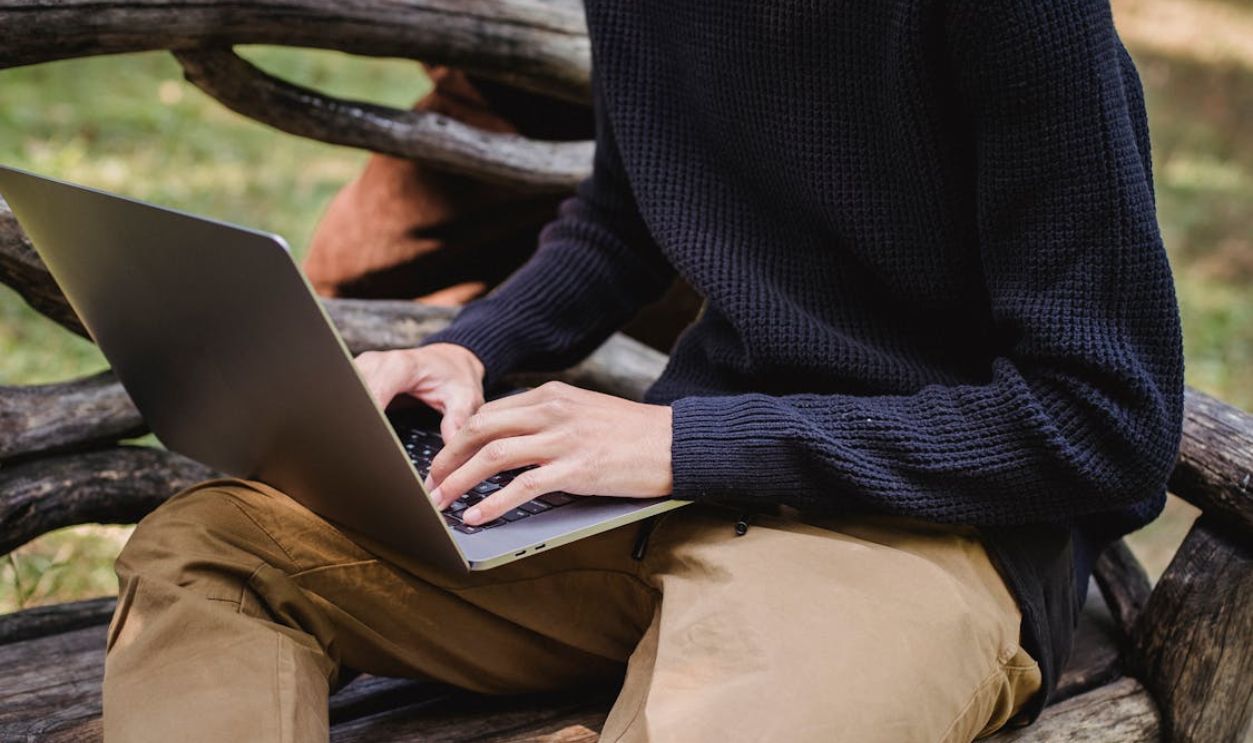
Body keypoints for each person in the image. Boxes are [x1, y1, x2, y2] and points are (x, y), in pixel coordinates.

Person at [102, 1, 1184, 741]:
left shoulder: (1023, 20)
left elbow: (1102, 420)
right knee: (214, 546)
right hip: (662, 501)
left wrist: (677, 441)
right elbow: (622, 221)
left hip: (915, 538)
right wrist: (467, 347)